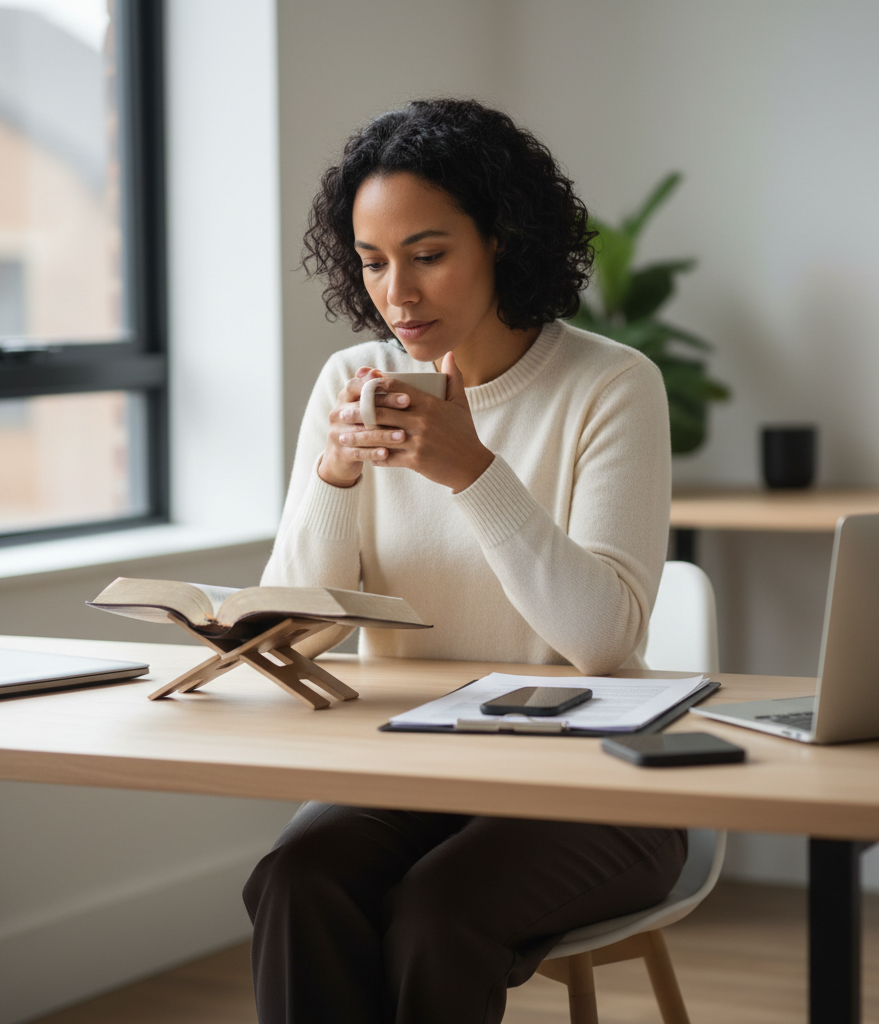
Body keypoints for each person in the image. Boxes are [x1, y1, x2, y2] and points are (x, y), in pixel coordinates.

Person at [243, 98, 684, 1024]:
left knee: (439, 916)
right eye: (372, 262)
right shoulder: (349, 382)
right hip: (418, 772)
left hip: (604, 777)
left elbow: (603, 643)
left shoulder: (611, 386)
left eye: (429, 254)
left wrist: (473, 472)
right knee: (294, 880)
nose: (396, 293)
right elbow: (295, 631)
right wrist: (332, 475)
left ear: (505, 241)